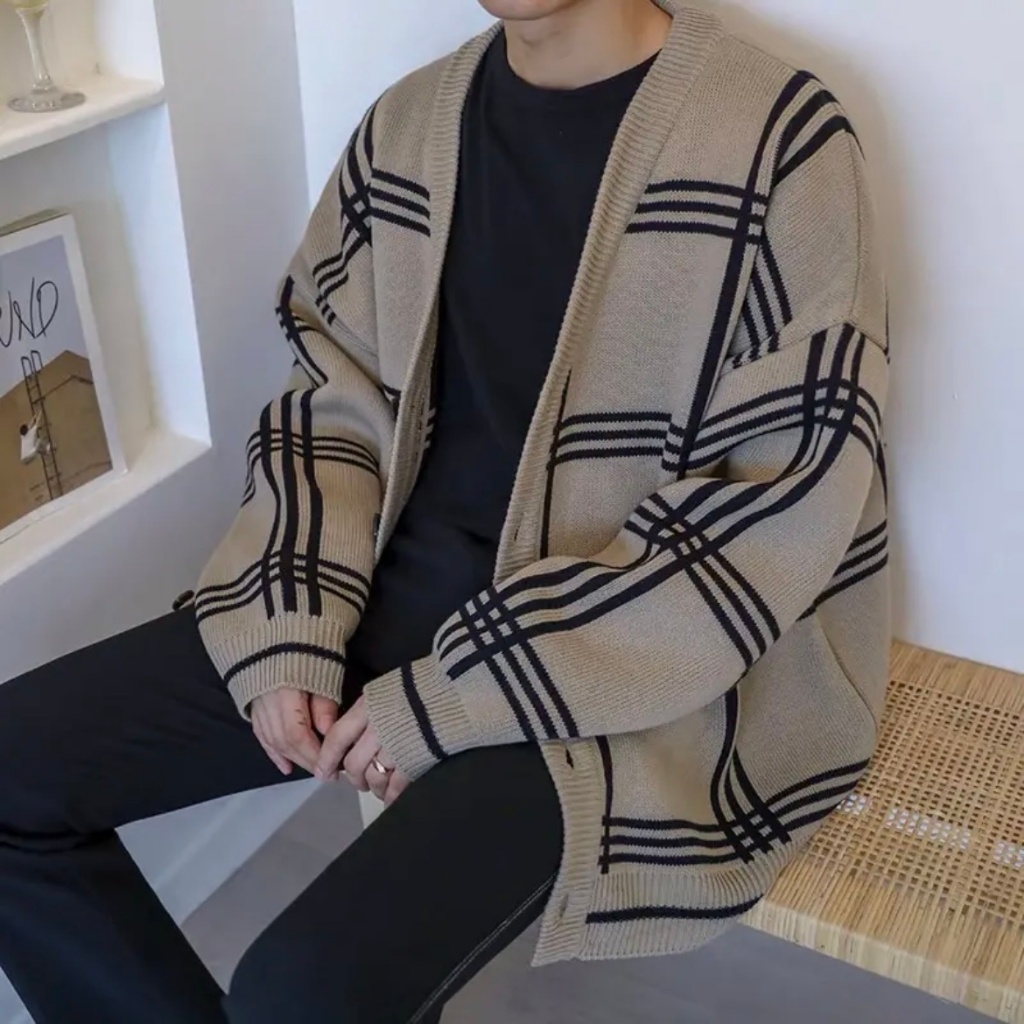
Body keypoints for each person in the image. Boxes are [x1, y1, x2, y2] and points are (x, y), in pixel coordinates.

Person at [0, 0, 890, 1021]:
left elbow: (775, 502)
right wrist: (288, 622)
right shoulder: (407, 125)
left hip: (628, 657)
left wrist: (455, 696)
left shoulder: (778, 138)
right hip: (386, 587)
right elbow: (328, 396)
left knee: (300, 990)